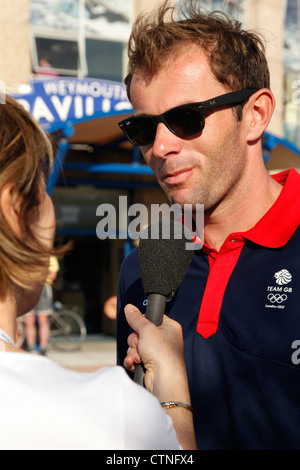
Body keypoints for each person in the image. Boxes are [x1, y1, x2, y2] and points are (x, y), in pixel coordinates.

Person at [117, 1, 300, 450]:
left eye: (185, 119)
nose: (160, 147)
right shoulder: (142, 268)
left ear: (255, 114)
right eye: (143, 127)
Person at [0, 95, 196, 450]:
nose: (161, 147)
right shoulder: (110, 411)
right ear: (14, 209)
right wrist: (173, 393)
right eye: (44, 193)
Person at [23, 256, 59, 355]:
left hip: (44, 288)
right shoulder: (27, 254)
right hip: (28, 288)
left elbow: (52, 275)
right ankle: (30, 347)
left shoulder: (51, 257)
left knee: (43, 319)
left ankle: (43, 348)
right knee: (29, 320)